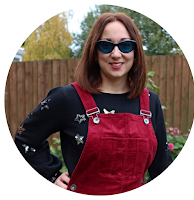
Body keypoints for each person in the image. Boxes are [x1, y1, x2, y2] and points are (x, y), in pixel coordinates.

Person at [15, 12, 173, 195]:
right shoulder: (68, 98)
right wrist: (51, 175)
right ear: (95, 52)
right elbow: (24, 139)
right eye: (106, 46)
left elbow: (162, 165)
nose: (116, 54)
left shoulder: (150, 102)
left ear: (135, 52)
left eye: (125, 45)